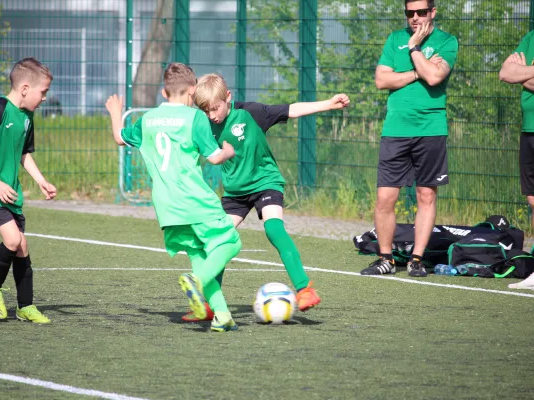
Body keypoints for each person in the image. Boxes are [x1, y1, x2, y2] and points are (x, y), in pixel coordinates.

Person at [189, 72, 350, 321]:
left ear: (227, 97)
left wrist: (329, 103)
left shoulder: (250, 113)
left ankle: (305, 289)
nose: (212, 115)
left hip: (265, 182)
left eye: (215, 108)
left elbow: (291, 110)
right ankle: (211, 305)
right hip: (234, 192)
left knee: (274, 229)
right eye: (205, 110)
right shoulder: (203, 124)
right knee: (218, 242)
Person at [105, 63, 242, 332]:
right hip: (194, 199)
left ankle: (223, 315)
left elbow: (120, 139)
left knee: (200, 254)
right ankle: (197, 281)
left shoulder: (146, 119)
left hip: (166, 205)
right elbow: (214, 158)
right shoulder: (195, 118)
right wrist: (227, 151)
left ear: (164, 93)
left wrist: (115, 112)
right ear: (192, 91)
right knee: (231, 242)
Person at [360, 0, 458, 277]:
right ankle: (386, 258)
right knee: (385, 198)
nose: (415, 18)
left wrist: (415, 48)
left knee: (425, 194)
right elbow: (381, 80)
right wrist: (417, 72)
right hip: (396, 129)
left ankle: (416, 259)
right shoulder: (394, 40)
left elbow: (435, 76)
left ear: (432, 12)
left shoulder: (447, 41)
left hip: (431, 128)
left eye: (421, 12)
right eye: (409, 13)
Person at [0, 57, 56, 323]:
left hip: (8, 189)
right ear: (25, 88)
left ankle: (25, 306)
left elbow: (24, 154)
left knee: (22, 246)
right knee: (13, 240)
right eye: (44, 92)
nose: (45, 99)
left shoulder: (27, 116)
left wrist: (41, 180)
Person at [499, 31, 534, 290]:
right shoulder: (530, 37)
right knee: (533, 199)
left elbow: (516, 74)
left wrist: (524, 71)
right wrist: (524, 74)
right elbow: (505, 74)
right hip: (529, 129)